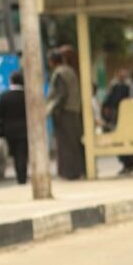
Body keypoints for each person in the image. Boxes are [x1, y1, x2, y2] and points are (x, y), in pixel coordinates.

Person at [45, 49, 85, 180]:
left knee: (65, 144)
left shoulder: (59, 73)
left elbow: (61, 94)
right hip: (73, 110)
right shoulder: (70, 71)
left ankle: (69, 173)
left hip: (64, 112)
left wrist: (53, 108)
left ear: (52, 61)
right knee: (73, 142)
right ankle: (77, 171)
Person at [0, 70, 28, 184]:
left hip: (9, 131)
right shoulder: (26, 96)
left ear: (11, 81)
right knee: (22, 154)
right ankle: (22, 177)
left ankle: (19, 176)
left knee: (15, 154)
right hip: (24, 130)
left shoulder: (4, 96)